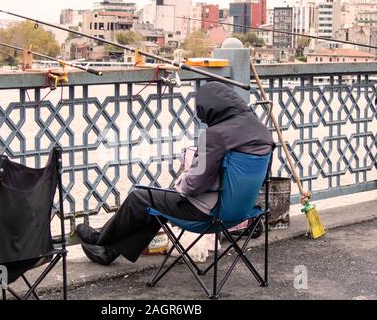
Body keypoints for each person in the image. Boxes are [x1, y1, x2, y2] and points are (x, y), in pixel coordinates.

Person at [76, 81, 275, 266]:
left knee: (140, 198)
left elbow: (195, 184)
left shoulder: (216, 135)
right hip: (242, 212)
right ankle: (108, 250)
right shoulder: (262, 131)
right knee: (155, 204)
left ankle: (101, 241)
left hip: (210, 213)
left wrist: (180, 182)